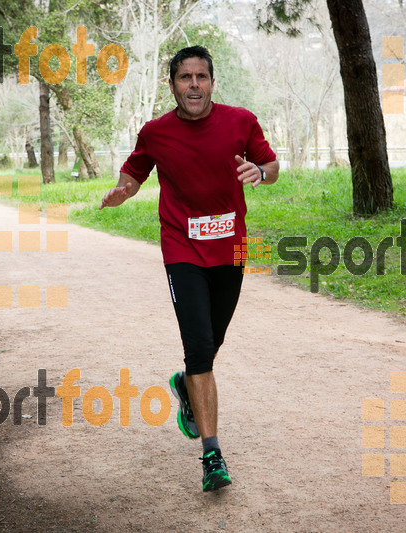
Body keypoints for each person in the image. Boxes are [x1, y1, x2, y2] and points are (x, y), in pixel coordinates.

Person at [100, 46, 279, 492]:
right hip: (182, 249)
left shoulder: (241, 121)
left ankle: (185, 382)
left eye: (201, 76)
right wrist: (123, 191)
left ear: (213, 82)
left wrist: (260, 170)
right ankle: (212, 454)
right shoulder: (156, 132)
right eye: (185, 77)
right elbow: (135, 172)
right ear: (173, 85)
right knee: (200, 349)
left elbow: (272, 165)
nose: (194, 84)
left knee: (212, 341)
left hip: (231, 248)